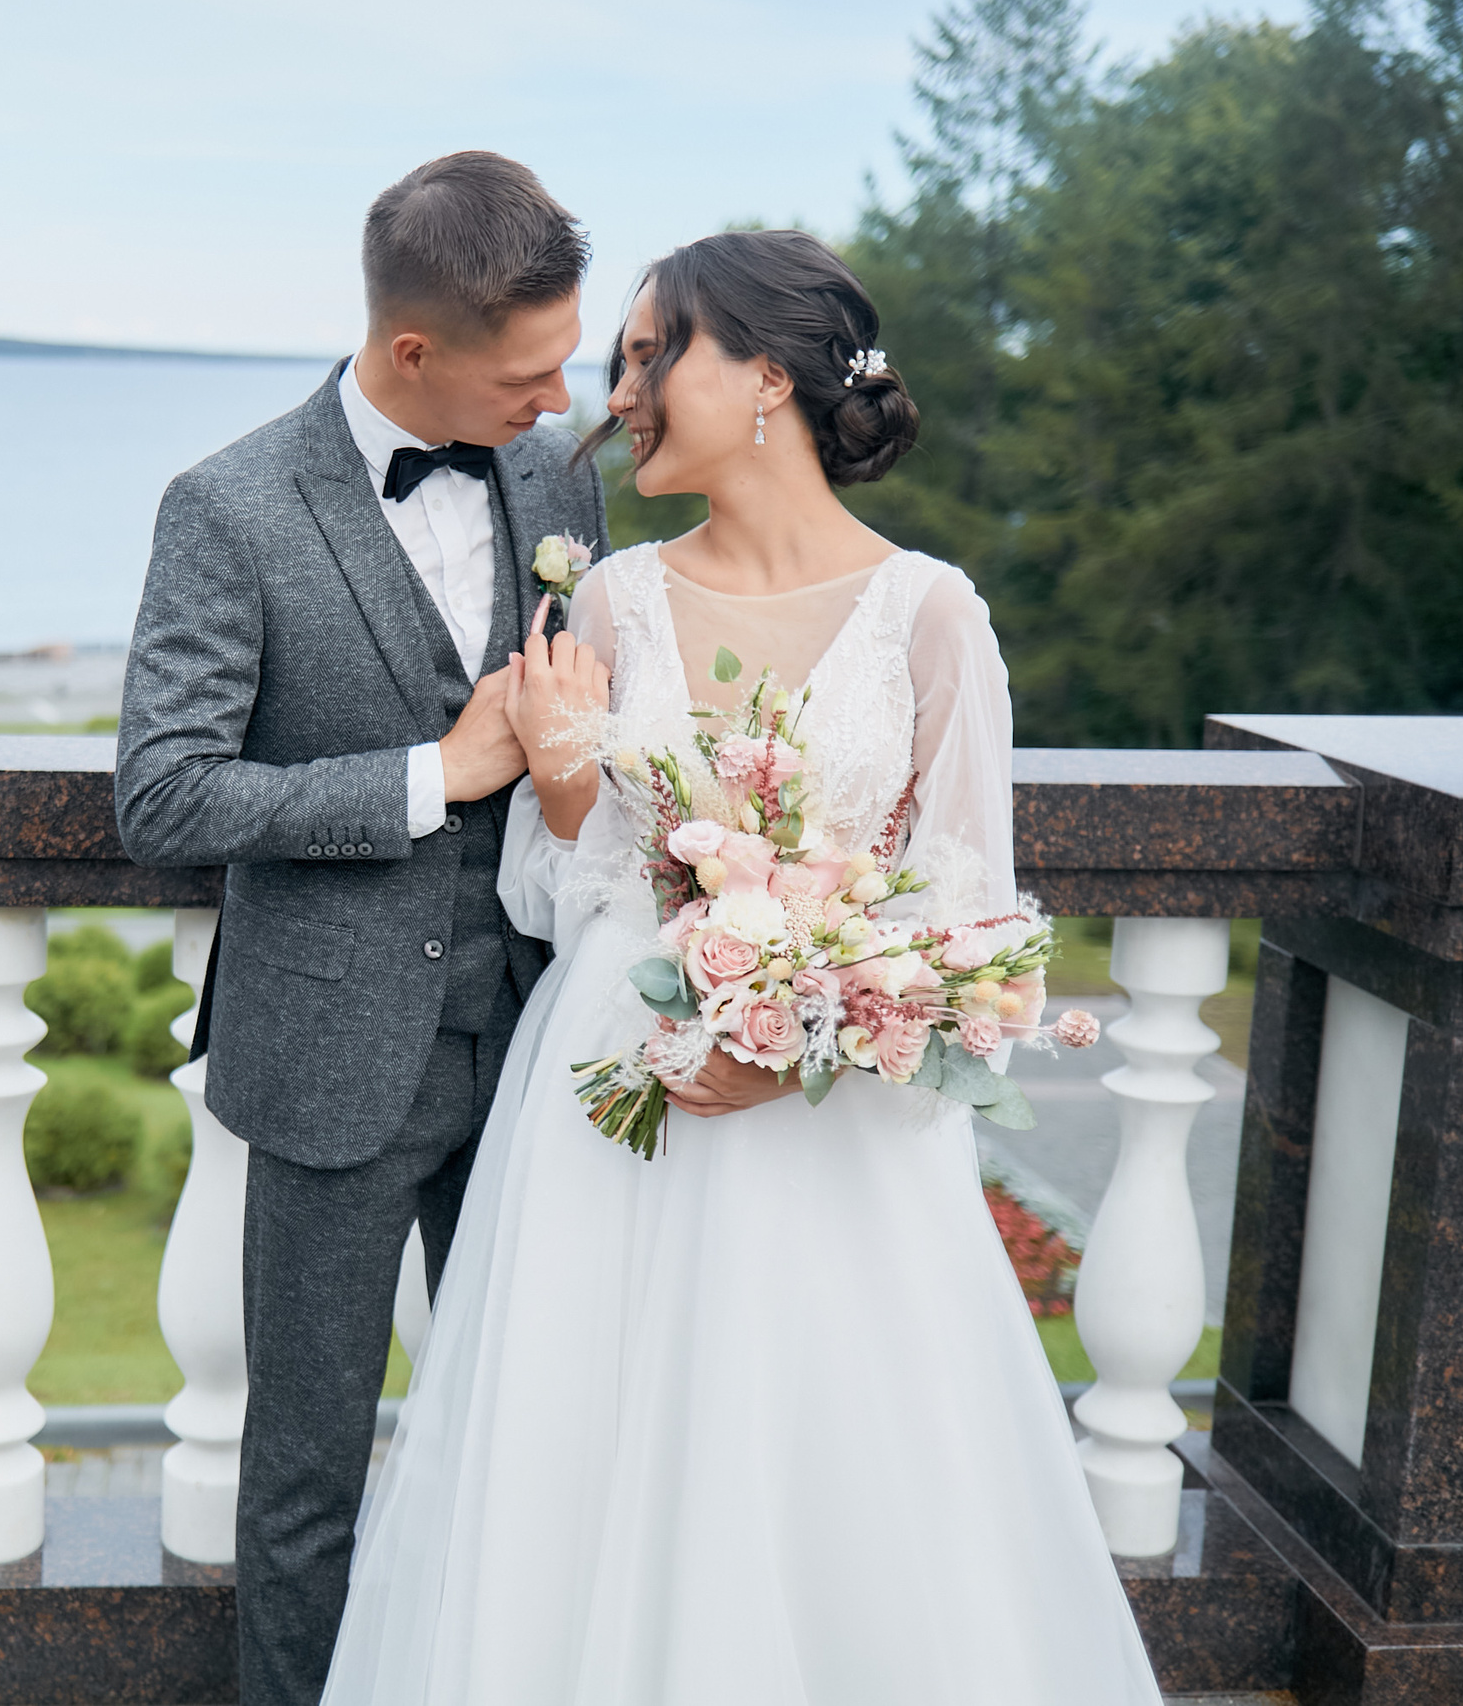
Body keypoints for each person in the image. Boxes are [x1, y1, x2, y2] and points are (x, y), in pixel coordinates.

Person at [321, 230, 1165, 1704]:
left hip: (839, 1142)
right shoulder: (615, 602)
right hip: (615, 1103)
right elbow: (560, 885)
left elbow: (971, 917)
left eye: (653, 354)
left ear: (766, 374)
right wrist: (571, 769)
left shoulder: (930, 614)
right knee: (582, 1472)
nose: (620, 388)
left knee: (842, 1482)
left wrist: (796, 1031)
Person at [114, 152, 607, 1706]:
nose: (560, 393)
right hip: (329, 1064)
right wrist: (432, 775)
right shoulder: (228, 509)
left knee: (531, 1444)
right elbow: (166, 798)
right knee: (308, 1477)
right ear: (414, 353)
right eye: (531, 370)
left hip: (540, 1046)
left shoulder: (557, 475)